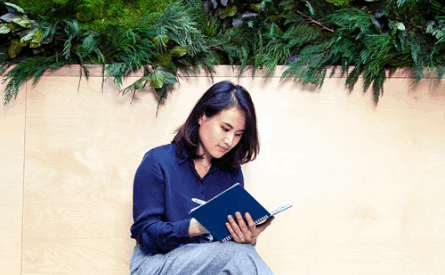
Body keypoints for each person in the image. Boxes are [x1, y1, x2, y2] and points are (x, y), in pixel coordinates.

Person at [129, 81, 275, 275]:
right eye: (225, 128)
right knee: (239, 256)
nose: (229, 141)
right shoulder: (157, 161)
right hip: (155, 264)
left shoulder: (232, 173)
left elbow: (223, 249)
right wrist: (196, 226)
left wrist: (245, 238)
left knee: (242, 251)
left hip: (204, 262)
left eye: (238, 134)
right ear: (202, 116)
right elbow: (146, 234)